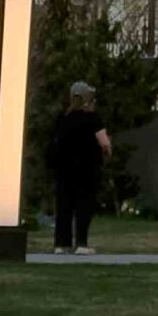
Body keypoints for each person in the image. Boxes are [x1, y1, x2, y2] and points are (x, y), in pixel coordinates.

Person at [48, 80, 111, 254]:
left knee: (64, 207)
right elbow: (104, 143)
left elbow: (55, 142)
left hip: (64, 170)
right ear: (87, 98)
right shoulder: (93, 119)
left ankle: (62, 244)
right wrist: (106, 155)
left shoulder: (62, 118)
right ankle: (82, 244)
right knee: (83, 206)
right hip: (86, 169)